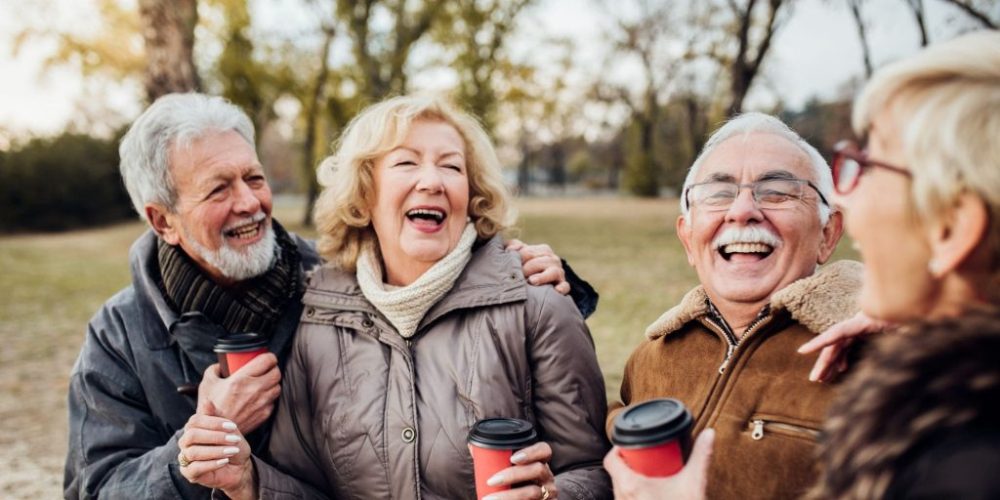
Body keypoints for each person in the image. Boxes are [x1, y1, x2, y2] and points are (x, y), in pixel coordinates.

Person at [64, 93, 595, 499]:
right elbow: (96, 486)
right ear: (163, 220)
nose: (250, 202)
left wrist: (546, 281)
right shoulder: (121, 338)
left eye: (254, 177)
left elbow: (589, 459)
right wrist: (200, 454)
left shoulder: (322, 285)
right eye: (218, 189)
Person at [606, 112, 862, 499]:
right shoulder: (650, 360)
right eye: (719, 192)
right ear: (688, 239)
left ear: (828, 234)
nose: (742, 211)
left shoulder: (889, 357)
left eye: (777, 191)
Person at [799, 30, 1000, 499]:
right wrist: (937, 312)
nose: (845, 195)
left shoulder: (958, 472)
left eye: (869, 166)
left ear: (950, 228)